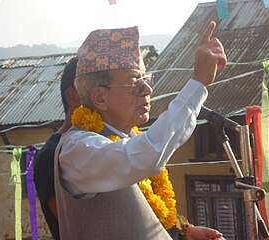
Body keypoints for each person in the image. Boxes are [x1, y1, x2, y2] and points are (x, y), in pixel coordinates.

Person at [55, 22, 227, 240]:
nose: (147, 90)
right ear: (100, 97)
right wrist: (198, 83)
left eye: (146, 79)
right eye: (135, 82)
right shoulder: (78, 149)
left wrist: (182, 232)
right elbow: (145, 155)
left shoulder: (130, 138)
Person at [33, 57, 80, 240]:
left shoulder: (105, 144)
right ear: (72, 97)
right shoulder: (50, 156)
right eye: (95, 89)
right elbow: (78, 224)